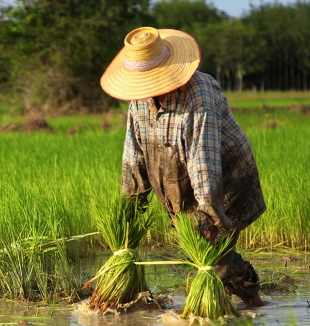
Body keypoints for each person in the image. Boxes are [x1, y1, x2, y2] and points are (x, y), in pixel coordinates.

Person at [100, 27, 266, 306]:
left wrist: (209, 216)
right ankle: (240, 297)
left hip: (225, 180)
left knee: (215, 257)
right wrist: (127, 215)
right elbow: (133, 159)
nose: (147, 88)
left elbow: (205, 164)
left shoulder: (199, 96)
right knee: (203, 251)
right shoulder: (139, 104)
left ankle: (251, 305)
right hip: (180, 184)